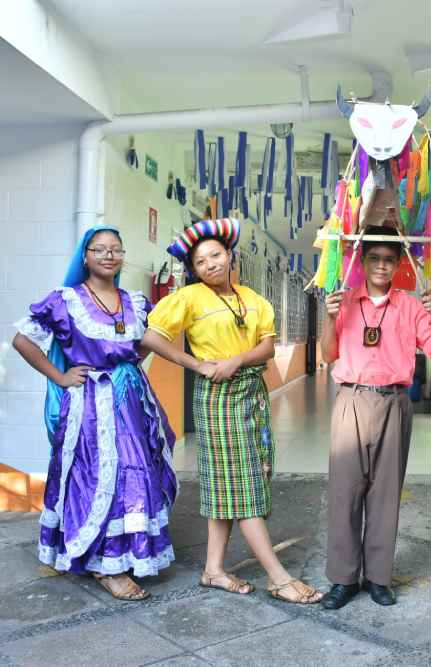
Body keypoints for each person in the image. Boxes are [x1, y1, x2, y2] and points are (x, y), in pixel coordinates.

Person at [141, 218, 323, 604]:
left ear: (229, 255)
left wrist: (236, 360)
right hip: (217, 398)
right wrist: (198, 365)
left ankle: (213, 569)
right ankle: (279, 577)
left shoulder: (253, 299)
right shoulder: (189, 299)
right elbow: (151, 336)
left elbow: (267, 347)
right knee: (242, 483)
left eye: (215, 255)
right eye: (201, 261)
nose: (210, 264)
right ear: (194, 270)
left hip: (250, 392)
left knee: (231, 481)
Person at [12, 226, 178, 601]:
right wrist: (60, 376)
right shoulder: (65, 300)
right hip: (89, 404)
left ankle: (126, 553)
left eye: (116, 250)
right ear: (84, 256)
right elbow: (22, 341)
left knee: (136, 469)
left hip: (132, 401)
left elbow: (143, 342)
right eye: (99, 249)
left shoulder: (134, 301)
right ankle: (106, 565)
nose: (108, 255)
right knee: (98, 474)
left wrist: (127, 368)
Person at [320, 225, 431, 610]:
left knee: (385, 493)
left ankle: (378, 577)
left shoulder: (410, 306)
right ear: (362, 262)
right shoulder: (342, 301)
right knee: (345, 493)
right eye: (374, 258)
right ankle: (343, 579)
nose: (381, 265)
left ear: (397, 265)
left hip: (394, 402)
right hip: (351, 400)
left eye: (388, 260)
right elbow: (329, 355)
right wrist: (330, 319)